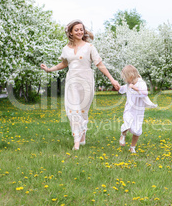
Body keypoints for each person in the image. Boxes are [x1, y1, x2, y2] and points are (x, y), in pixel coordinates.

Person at [41, 19, 120, 150]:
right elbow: (64, 64)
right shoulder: (66, 49)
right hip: (72, 82)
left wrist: (112, 79)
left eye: (81, 29)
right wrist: (49, 69)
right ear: (70, 32)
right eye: (76, 29)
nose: (79, 31)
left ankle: (82, 136)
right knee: (73, 111)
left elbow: (99, 64)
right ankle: (76, 141)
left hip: (86, 81)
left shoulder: (89, 47)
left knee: (83, 111)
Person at [118, 65, 157, 153]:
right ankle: (123, 135)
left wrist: (134, 88)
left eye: (125, 78)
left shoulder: (141, 83)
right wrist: (118, 87)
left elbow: (145, 93)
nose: (125, 80)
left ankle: (132, 147)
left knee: (137, 130)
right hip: (129, 108)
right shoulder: (128, 84)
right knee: (127, 122)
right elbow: (122, 89)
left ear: (131, 76)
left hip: (138, 111)